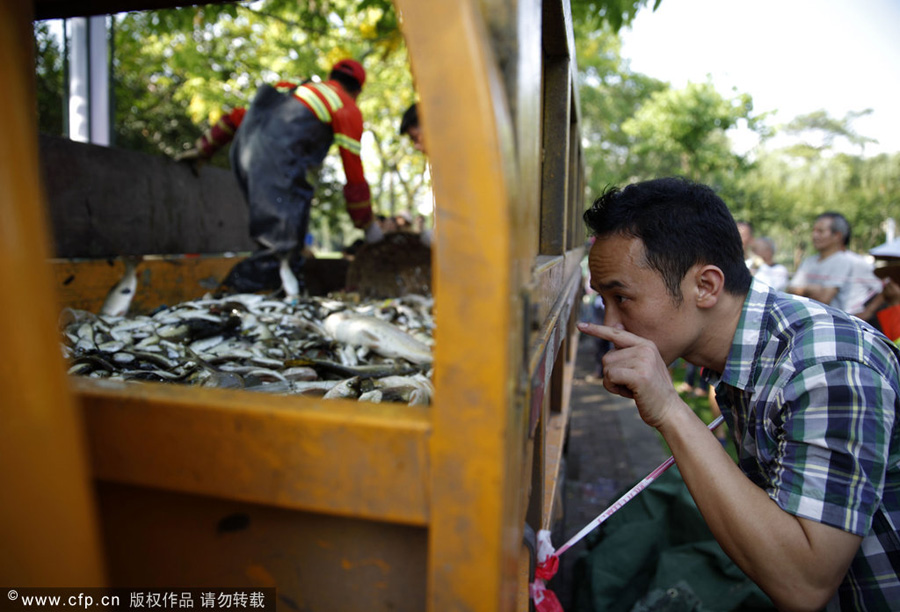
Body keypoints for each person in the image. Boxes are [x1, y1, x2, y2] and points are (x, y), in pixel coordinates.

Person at [577, 177, 900, 609]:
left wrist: (671, 409)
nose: (611, 324)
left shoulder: (826, 365)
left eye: (622, 297)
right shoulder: (749, 350)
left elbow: (805, 583)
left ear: (706, 286)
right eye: (603, 300)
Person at [176, 59, 383, 294]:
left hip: (243, 156)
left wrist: (203, 148)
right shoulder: (344, 104)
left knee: (286, 247)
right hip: (279, 162)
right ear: (357, 91)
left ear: (331, 76)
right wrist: (367, 224)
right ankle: (226, 299)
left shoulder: (294, 88)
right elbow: (353, 172)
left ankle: (287, 290)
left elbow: (236, 117)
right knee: (276, 255)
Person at [787, 212, 880, 317]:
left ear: (837, 235)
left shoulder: (847, 260)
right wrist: (812, 289)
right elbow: (790, 292)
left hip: (845, 322)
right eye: (813, 231)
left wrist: (868, 312)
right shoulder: (809, 261)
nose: (814, 235)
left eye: (820, 231)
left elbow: (824, 298)